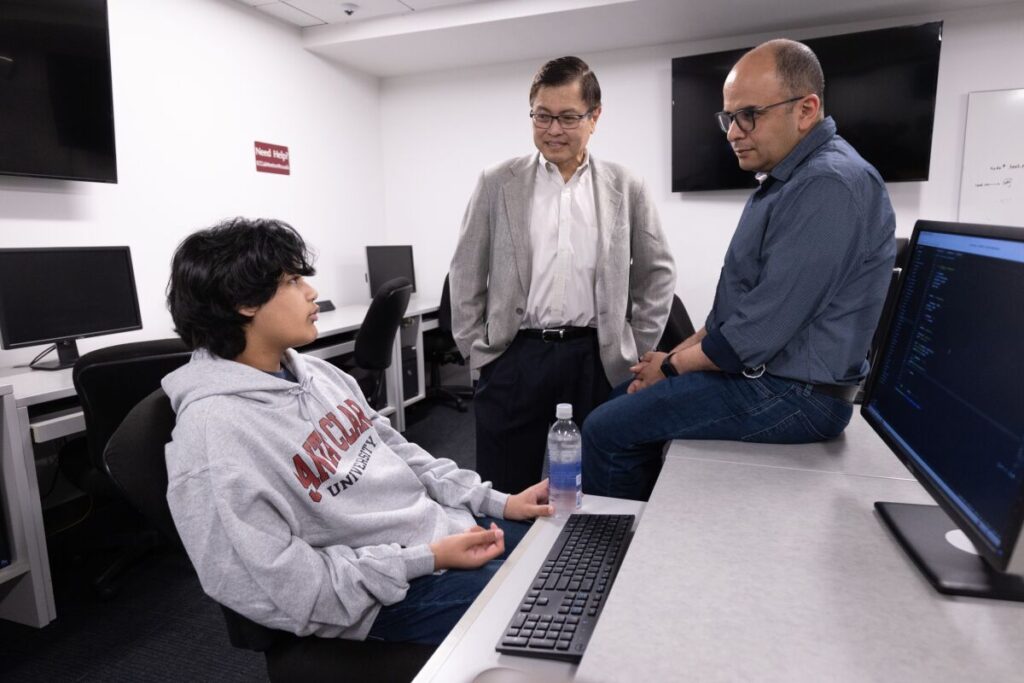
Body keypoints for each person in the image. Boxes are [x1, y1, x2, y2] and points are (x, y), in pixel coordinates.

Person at [162, 218, 553, 645]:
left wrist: (496, 501)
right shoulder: (212, 437)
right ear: (243, 302)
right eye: (292, 281)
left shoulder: (315, 372)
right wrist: (424, 559)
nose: (311, 292)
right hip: (383, 593)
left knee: (565, 551)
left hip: (439, 534)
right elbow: (282, 587)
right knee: (548, 607)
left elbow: (397, 451)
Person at [582, 39, 897, 501]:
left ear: (806, 109)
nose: (732, 132)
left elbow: (756, 333)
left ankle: (606, 563)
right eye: (729, 118)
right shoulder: (785, 182)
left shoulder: (829, 184)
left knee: (605, 429)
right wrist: (671, 358)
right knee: (620, 398)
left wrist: (670, 366)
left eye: (749, 115)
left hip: (798, 395)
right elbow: (734, 310)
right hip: (766, 375)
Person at [450, 56, 676, 495]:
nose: (553, 130)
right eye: (542, 116)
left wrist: (638, 345)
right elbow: (465, 269)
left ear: (595, 117)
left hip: (596, 359)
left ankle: (582, 564)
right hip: (514, 356)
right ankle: (508, 561)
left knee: (595, 485)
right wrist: (476, 351)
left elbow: (658, 271)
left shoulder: (625, 185)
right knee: (504, 488)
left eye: (568, 117)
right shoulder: (498, 182)